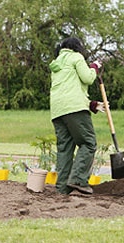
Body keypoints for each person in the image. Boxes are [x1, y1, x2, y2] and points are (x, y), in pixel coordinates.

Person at [49, 37, 104, 194]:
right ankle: (78, 180)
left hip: (58, 111)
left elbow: (69, 90)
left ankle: (62, 188)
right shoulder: (76, 57)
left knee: (65, 148)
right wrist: (94, 67)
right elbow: (87, 78)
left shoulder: (57, 63)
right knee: (88, 142)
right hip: (75, 110)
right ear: (77, 47)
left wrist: (92, 105)